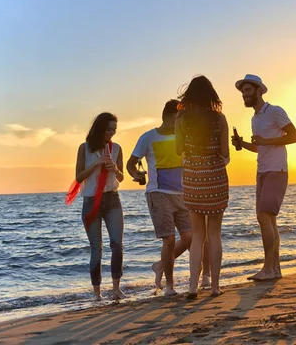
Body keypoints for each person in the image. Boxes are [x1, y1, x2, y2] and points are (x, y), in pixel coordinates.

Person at [232, 74, 296, 281]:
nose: (245, 94)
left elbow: (295, 137)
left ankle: (268, 269)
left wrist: (266, 140)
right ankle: (275, 269)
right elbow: (260, 146)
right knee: (269, 219)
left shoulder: (275, 111)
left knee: (264, 217)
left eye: (248, 90)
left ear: (259, 90)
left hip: (276, 170)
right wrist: (242, 144)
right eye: (243, 91)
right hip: (262, 170)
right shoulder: (255, 118)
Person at [126, 100, 193, 296]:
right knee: (169, 240)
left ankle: (160, 265)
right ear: (170, 117)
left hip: (183, 193)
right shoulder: (148, 137)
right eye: (179, 119)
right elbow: (132, 163)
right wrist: (135, 174)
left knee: (189, 237)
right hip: (158, 193)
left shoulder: (183, 137)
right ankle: (170, 286)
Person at [176, 75, 229, 298]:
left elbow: (179, 149)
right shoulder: (220, 119)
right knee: (214, 234)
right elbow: (225, 153)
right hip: (215, 176)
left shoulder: (181, 118)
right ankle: (215, 287)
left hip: (193, 176)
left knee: (197, 235)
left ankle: (192, 287)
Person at [74, 112, 126, 301]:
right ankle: (96, 293)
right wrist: (96, 164)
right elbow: (79, 177)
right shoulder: (84, 148)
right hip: (90, 201)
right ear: (100, 128)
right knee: (96, 247)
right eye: (109, 129)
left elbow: (121, 178)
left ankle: (116, 289)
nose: (112, 133)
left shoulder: (117, 148)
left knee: (117, 244)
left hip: (112, 199)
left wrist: (115, 169)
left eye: (114, 129)